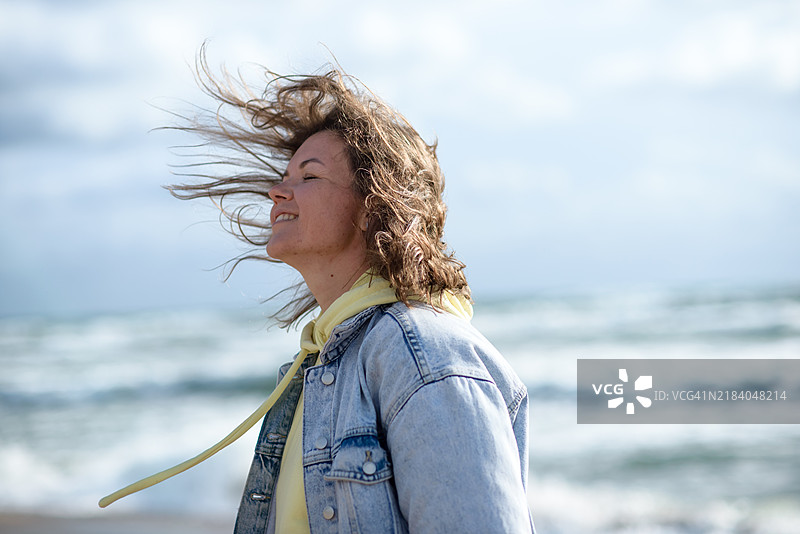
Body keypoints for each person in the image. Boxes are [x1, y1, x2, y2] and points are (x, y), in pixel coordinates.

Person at [100, 49, 535, 533]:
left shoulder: (423, 353)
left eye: (308, 176)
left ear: (374, 205)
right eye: (284, 178)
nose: (277, 193)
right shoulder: (327, 362)